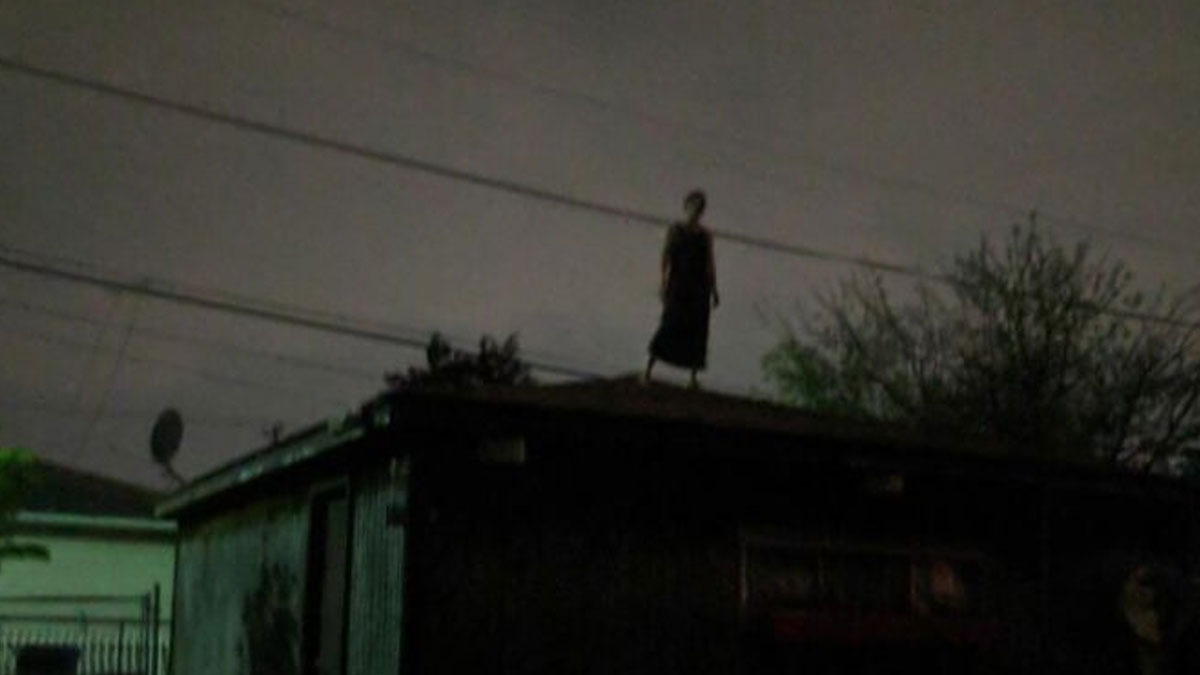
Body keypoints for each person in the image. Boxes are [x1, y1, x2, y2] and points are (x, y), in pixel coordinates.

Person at [644, 189, 719, 388]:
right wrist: (663, 283)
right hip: (679, 284)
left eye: (700, 207)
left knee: (698, 330)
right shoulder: (675, 230)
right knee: (669, 323)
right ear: (687, 207)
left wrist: (714, 290)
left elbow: (709, 264)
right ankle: (648, 370)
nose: (696, 210)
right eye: (694, 206)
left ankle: (693, 378)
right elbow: (665, 257)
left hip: (699, 288)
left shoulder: (706, 236)